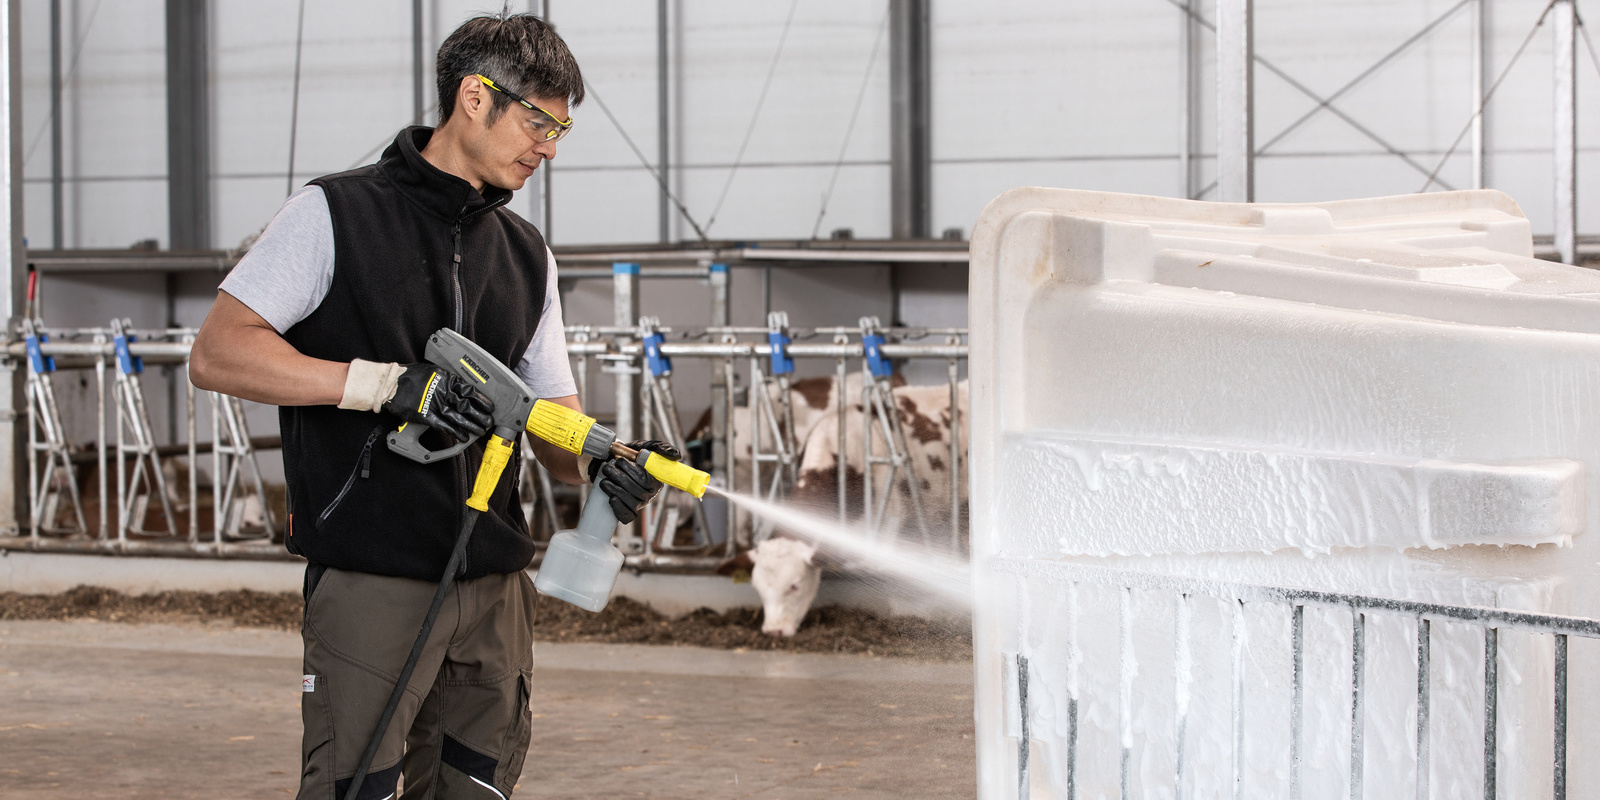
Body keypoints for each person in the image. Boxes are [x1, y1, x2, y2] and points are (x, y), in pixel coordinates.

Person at [191, 14, 675, 800]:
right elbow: (218, 353)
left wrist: (608, 459)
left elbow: (554, 420)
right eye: (539, 122)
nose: (550, 147)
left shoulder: (525, 254)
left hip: (494, 584)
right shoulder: (333, 216)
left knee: (478, 787)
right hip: (372, 575)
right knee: (362, 787)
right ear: (475, 98)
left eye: (563, 128)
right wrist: (385, 386)